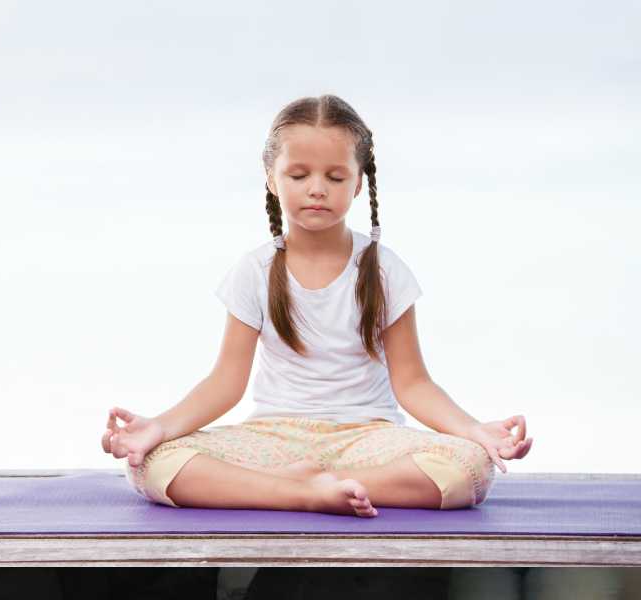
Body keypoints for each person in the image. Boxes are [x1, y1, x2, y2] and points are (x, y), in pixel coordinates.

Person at [101, 94, 533, 517]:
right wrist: (157, 428)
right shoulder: (254, 270)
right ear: (272, 178)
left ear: (359, 183)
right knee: (154, 464)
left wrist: (475, 431)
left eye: (335, 177)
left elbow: (415, 384)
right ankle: (301, 493)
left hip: (367, 440)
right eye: (299, 175)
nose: (317, 190)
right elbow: (225, 383)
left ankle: (308, 483)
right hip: (274, 438)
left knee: (468, 468)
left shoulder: (383, 270)